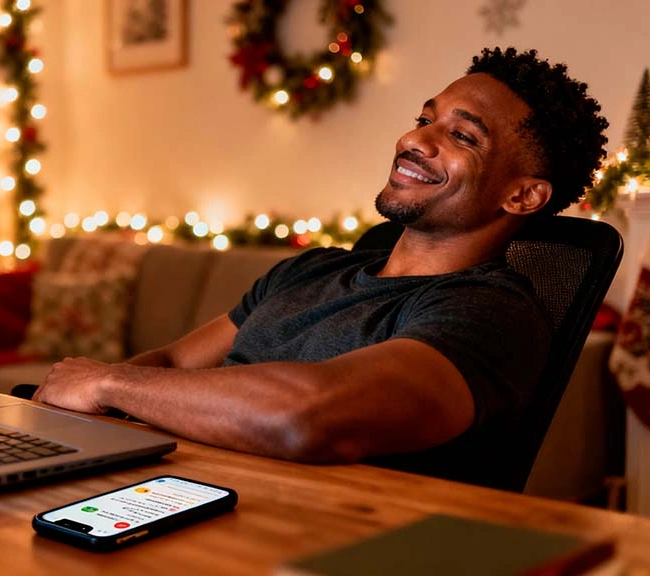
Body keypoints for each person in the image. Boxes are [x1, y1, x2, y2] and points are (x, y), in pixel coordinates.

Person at [32, 47, 609, 487]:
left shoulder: (491, 313)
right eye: (424, 117)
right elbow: (174, 362)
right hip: (172, 494)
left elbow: (306, 417)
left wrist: (108, 382)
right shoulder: (309, 271)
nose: (414, 138)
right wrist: (81, 426)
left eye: (461, 135)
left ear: (523, 196)